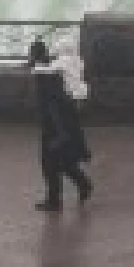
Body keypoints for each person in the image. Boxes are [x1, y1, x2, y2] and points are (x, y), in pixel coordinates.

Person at [29, 40, 93, 210]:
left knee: (49, 163)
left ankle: (55, 200)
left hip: (55, 127)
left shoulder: (45, 76)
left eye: (31, 54)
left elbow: (52, 104)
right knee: (63, 160)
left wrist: (59, 131)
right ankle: (83, 184)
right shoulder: (54, 70)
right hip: (63, 124)